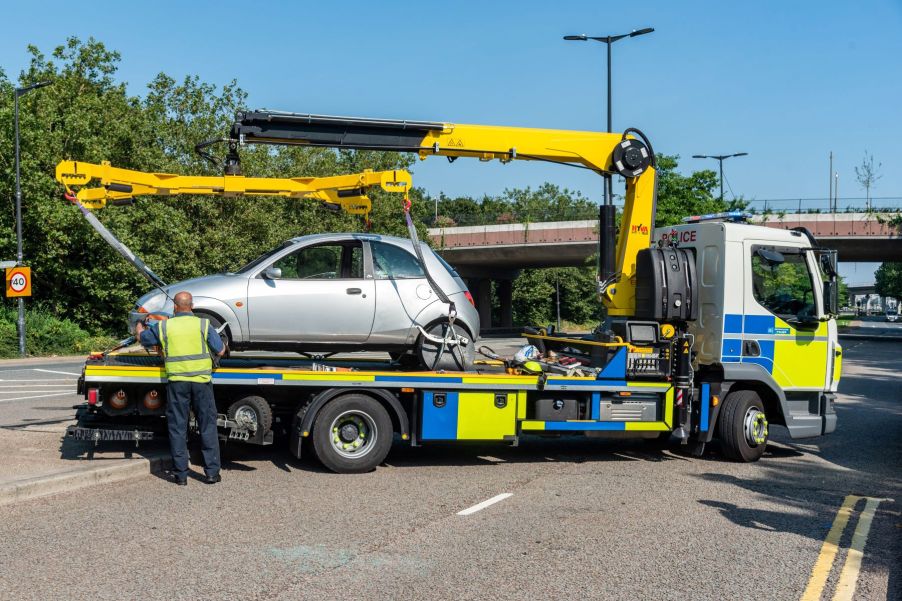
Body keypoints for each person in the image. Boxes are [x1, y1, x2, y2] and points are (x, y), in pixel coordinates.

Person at [136, 291, 225, 486]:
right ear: (191, 306)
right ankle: (211, 473)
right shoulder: (203, 324)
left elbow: (143, 340)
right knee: (207, 426)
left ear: (175, 307)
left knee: (177, 427)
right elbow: (220, 350)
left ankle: (181, 476)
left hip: (177, 383)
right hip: (201, 382)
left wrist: (139, 324)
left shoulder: (164, 326)